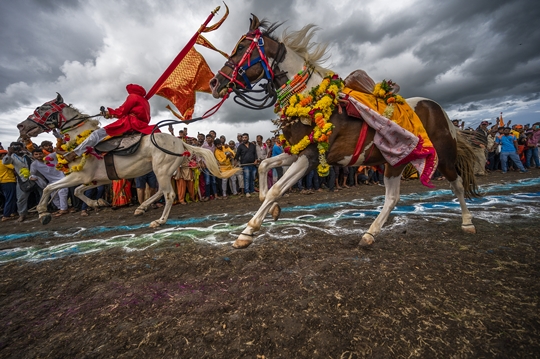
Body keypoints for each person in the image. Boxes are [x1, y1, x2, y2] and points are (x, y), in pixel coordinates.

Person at [64, 84, 156, 162]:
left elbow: (121, 111)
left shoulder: (132, 96)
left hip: (130, 123)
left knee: (97, 134)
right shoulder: (145, 101)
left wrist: (109, 113)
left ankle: (74, 153)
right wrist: (110, 115)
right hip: (141, 125)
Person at [29, 147, 69, 217]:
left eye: (40, 154)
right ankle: (60, 208)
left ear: (43, 154)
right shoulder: (34, 164)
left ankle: (64, 209)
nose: (39, 156)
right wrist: (32, 177)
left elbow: (59, 153)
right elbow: (32, 173)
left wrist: (59, 151)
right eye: (36, 154)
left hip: (62, 178)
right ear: (33, 156)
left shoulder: (50, 156)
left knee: (62, 192)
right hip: (52, 181)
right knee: (53, 195)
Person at [2, 142, 36, 222]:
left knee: (42, 192)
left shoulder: (27, 154)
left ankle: (44, 210)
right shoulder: (12, 156)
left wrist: (26, 151)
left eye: (19, 147)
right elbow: (5, 162)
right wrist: (9, 153)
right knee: (21, 198)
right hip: (22, 179)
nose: (17, 149)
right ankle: (22, 214)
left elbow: (35, 158)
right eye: (15, 148)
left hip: (35, 177)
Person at [235, 133, 258, 197]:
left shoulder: (252, 145)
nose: (244, 139)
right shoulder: (240, 146)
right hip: (245, 165)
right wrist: (236, 162)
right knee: (247, 178)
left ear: (248, 138)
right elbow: (237, 155)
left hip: (253, 164)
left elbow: (255, 154)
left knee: (252, 178)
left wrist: (256, 160)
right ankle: (247, 192)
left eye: (245, 137)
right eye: (243, 138)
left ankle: (252, 190)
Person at [0, 149, 18, 221]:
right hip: (8, 181)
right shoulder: (3, 162)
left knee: (8, 198)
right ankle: (6, 215)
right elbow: (14, 167)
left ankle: (11, 212)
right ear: (3, 155)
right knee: (10, 198)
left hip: (3, 182)